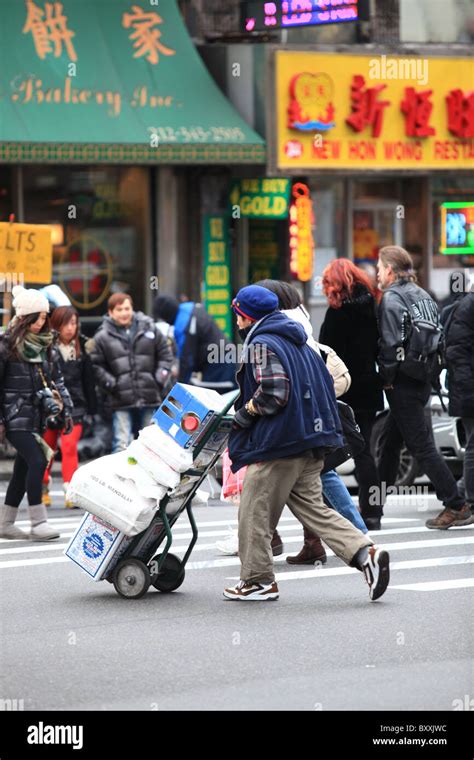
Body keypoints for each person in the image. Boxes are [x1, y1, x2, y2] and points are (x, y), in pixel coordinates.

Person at [223, 284, 389, 602]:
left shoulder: (261, 342)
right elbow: (324, 384)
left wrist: (245, 414)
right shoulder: (299, 339)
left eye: (238, 314)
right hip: (310, 440)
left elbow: (274, 393)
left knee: (254, 511)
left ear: (245, 314)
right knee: (315, 510)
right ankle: (365, 553)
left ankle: (257, 581)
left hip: (279, 443)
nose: (238, 322)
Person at [376, 245, 473, 530]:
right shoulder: (424, 295)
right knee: (390, 444)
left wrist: (387, 378)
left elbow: (391, 346)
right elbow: (438, 337)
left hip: (402, 381)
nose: (378, 274)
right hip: (423, 379)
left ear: (390, 271)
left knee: (422, 447)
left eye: (380, 269)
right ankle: (373, 506)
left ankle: (456, 504)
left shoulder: (392, 299)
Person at [0, 286, 73, 540]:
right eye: (38, 317)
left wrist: (67, 409)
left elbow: (57, 380)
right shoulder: (6, 345)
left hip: (37, 416)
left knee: (23, 467)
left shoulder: (46, 343)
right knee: (39, 460)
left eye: (45, 317)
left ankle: (6, 523)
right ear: (25, 317)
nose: (43, 322)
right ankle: (38, 523)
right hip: (14, 416)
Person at [319, 259, 384, 530]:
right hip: (369, 387)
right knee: (365, 451)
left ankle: (331, 512)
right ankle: (372, 512)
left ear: (335, 284)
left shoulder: (336, 314)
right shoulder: (373, 307)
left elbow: (325, 351)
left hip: (344, 390)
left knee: (328, 452)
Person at [90, 293, 173, 453]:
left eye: (127, 308)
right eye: (119, 309)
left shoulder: (149, 328)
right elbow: (95, 365)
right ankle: (120, 477)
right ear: (110, 312)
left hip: (149, 396)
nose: (124, 313)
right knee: (121, 443)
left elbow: (165, 354)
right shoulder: (102, 336)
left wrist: (159, 379)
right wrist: (111, 384)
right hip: (120, 398)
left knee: (151, 445)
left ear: (132, 309)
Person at [42, 305, 97, 508]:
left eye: (73, 323)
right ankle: (43, 486)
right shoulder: (46, 348)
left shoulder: (82, 348)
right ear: (56, 324)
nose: (70, 328)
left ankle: (70, 490)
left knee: (69, 446)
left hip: (76, 407)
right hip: (50, 407)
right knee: (47, 449)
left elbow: (89, 382)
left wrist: (92, 409)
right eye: (65, 323)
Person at [153, 294, 237, 389]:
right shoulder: (190, 308)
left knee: (216, 398)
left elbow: (186, 360)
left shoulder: (183, 325)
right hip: (225, 355)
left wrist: (180, 387)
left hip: (218, 364)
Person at [444, 288, 474, 518]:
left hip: (465, 387)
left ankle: (461, 494)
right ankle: (469, 501)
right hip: (467, 389)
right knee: (473, 446)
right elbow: (457, 353)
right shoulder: (468, 307)